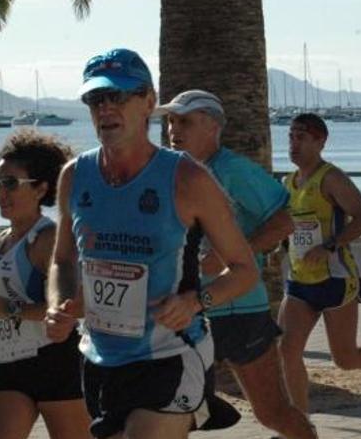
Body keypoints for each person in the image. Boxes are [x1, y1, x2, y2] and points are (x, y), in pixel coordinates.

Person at [44, 48, 258, 439]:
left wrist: (195, 302)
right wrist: (58, 303)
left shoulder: (187, 178)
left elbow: (245, 270)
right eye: (96, 99)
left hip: (171, 354)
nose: (106, 108)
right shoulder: (75, 176)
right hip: (99, 357)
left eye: (119, 96)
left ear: (148, 102)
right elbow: (62, 259)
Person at [162, 89, 316, 438]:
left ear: (212, 126)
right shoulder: (176, 173)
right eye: (170, 121)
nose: (173, 129)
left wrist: (235, 254)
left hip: (239, 310)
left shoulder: (232, 170)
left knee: (272, 412)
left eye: (184, 121)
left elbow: (284, 222)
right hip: (187, 310)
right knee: (168, 408)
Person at [280, 112, 361, 415]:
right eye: (290, 136)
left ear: (320, 141)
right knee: (286, 351)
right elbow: (293, 226)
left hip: (336, 280)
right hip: (300, 281)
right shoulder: (289, 182)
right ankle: (300, 428)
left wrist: (329, 246)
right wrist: (281, 245)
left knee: (344, 358)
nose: (293, 143)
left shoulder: (331, 178)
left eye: (301, 137)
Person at [0, 130, 91, 438]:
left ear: (41, 189)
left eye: (10, 183)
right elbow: (21, 307)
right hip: (9, 362)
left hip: (55, 362)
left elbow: (74, 306)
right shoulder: (6, 239)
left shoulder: (46, 239)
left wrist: (10, 309)